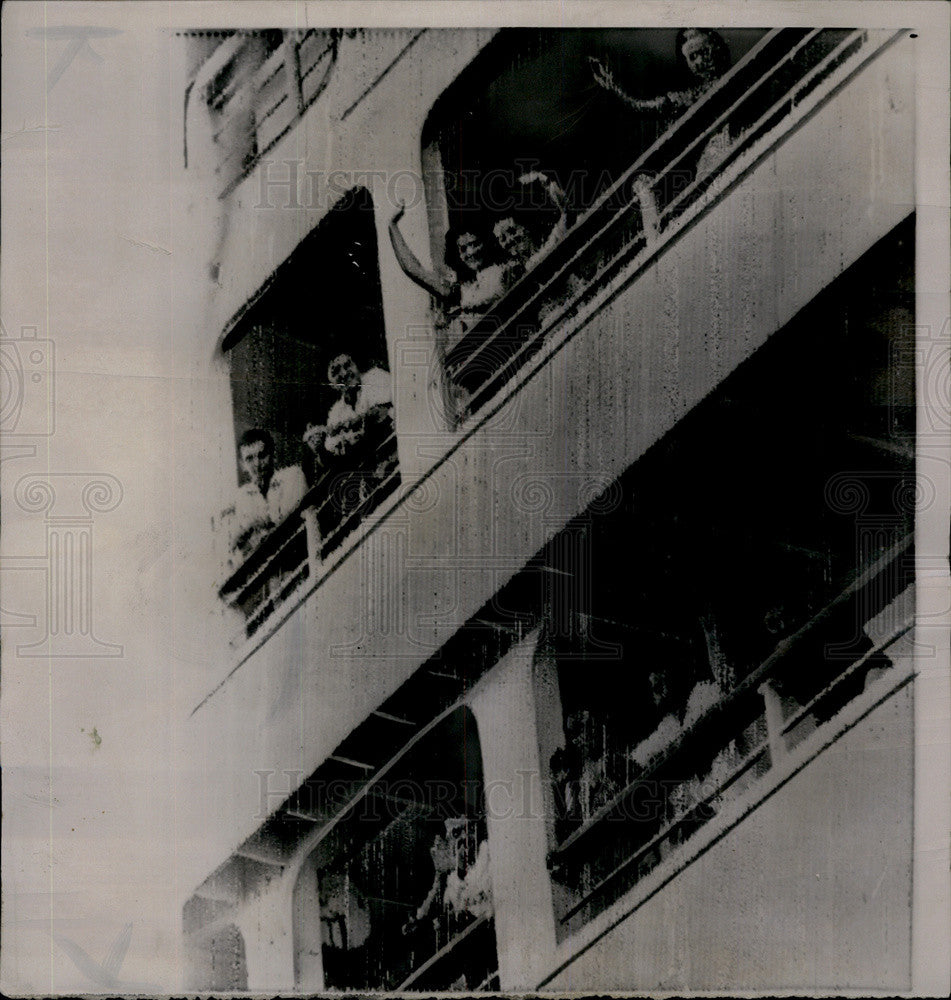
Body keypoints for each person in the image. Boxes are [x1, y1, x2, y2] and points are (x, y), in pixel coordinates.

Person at [590, 29, 734, 183]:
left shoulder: (741, 78)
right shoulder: (691, 97)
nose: (699, 61)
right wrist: (614, 90)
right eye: (692, 57)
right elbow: (646, 107)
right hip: (716, 165)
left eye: (704, 51)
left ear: (717, 47)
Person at [388, 202, 509, 344]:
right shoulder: (464, 290)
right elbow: (415, 271)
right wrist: (392, 226)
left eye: (475, 244)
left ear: (486, 242)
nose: (471, 252)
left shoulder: (505, 270)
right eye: (463, 249)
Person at [225, 429, 307, 568]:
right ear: (242, 465)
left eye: (262, 455)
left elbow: (294, 524)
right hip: (267, 572)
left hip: (299, 561)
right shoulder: (242, 497)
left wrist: (256, 527)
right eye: (249, 459)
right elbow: (239, 547)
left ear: (272, 455)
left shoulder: (292, 476)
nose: (257, 464)